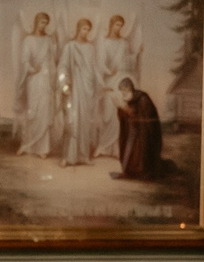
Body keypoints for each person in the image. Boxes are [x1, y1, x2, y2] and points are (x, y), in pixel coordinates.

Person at [14, 11, 61, 158]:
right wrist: (33, 69)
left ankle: (43, 148)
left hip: (46, 80)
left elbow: (54, 58)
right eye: (42, 22)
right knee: (33, 112)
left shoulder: (48, 40)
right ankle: (28, 145)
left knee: (45, 111)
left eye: (46, 23)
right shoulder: (28, 40)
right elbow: (25, 61)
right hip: (34, 80)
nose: (44, 25)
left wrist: (55, 43)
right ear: (36, 22)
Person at [93, 14, 139, 159]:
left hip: (121, 79)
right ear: (111, 25)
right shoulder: (104, 42)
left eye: (121, 25)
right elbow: (100, 62)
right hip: (109, 80)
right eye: (116, 25)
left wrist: (137, 54)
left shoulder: (124, 43)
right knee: (108, 114)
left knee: (119, 114)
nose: (118, 28)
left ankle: (116, 149)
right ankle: (103, 146)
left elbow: (128, 61)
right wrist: (108, 71)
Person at [60, 16, 101, 166]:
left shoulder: (90, 48)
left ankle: (84, 156)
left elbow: (94, 68)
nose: (86, 32)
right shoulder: (70, 46)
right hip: (74, 87)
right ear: (78, 29)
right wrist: (65, 85)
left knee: (85, 122)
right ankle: (67, 156)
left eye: (89, 30)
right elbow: (63, 67)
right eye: (84, 29)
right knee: (72, 120)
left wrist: (99, 84)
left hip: (87, 88)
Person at [112, 75, 164, 181]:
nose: (123, 95)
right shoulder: (132, 100)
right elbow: (128, 118)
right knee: (130, 151)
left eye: (124, 92)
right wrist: (121, 109)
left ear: (129, 89)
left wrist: (123, 109)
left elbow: (141, 119)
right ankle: (131, 170)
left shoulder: (143, 99)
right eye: (122, 93)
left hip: (144, 134)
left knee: (139, 153)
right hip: (134, 133)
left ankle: (141, 171)